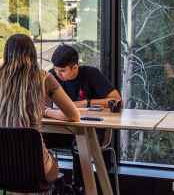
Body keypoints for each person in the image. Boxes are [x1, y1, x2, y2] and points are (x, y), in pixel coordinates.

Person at [0, 34, 80, 184]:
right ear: (32, 52)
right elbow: (74, 115)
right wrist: (45, 111)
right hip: (34, 164)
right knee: (47, 163)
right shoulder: (43, 77)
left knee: (18, 175)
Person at [46, 44, 121, 193]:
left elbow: (116, 99)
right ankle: (49, 185)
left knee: (79, 142)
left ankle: (80, 188)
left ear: (75, 67)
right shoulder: (51, 75)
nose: (58, 74)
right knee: (36, 137)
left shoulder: (91, 74)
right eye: (55, 69)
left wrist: (85, 103)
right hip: (64, 128)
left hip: (91, 130)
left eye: (62, 71)